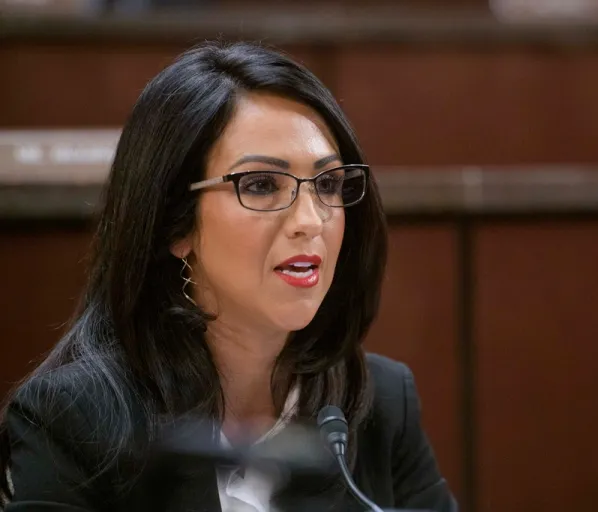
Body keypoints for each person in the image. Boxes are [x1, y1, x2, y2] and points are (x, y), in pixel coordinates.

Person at [0, 41, 457, 512]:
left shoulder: (378, 403)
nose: (311, 219)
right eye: (260, 185)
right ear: (175, 225)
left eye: (327, 184)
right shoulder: (74, 421)